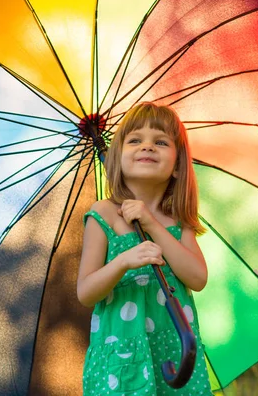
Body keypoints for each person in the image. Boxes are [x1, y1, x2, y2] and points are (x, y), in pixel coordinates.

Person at [77, 102, 212, 395]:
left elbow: (197, 278)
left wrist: (151, 224)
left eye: (160, 142)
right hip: (121, 359)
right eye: (135, 140)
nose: (147, 147)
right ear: (118, 159)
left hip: (174, 352)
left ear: (177, 166)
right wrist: (122, 261)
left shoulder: (180, 220)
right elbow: (86, 291)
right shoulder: (104, 214)